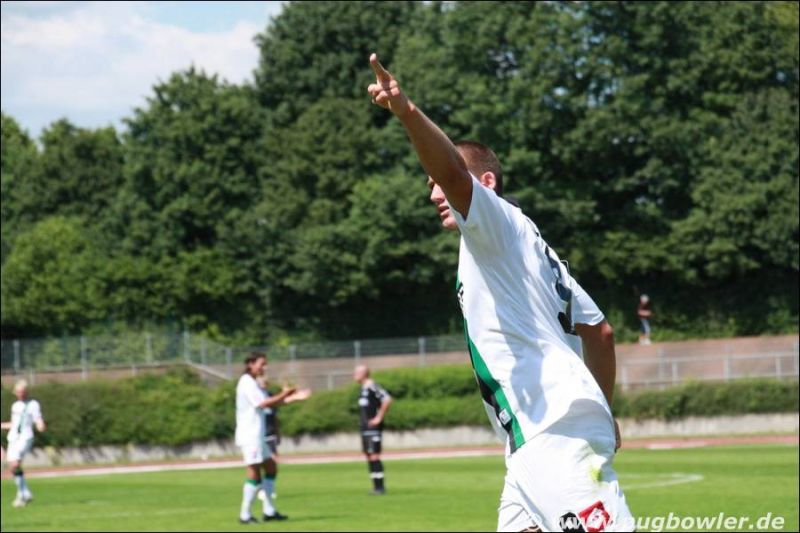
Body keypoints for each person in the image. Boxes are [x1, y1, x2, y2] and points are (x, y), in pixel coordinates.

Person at [367, 53, 633, 531]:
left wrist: (406, 112)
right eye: (429, 184)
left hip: (552, 430)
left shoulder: (495, 223)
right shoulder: (530, 252)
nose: (434, 193)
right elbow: (601, 333)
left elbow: (455, 173)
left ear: (487, 183)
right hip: (535, 439)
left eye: (438, 182)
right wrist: (603, 410)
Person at [235, 352, 309, 524]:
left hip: (257, 436)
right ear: (251, 364)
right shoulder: (246, 382)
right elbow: (263, 403)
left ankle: (269, 511)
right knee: (254, 474)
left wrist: (293, 397)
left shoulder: (254, 383)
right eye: (262, 364)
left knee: (271, 468)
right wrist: (285, 393)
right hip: (250, 436)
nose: (265, 367)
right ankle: (245, 515)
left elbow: (271, 403)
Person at [1, 379, 46, 508]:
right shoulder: (15, 405)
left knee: (15, 463)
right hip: (13, 437)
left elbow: (37, 419)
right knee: (12, 466)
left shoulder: (33, 404)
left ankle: (22, 494)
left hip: (25, 437)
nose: (20, 394)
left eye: (22, 392)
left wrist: (40, 425)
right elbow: (13, 423)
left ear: (26, 392)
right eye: (18, 392)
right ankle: (25, 492)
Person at [353, 364, 392, 495]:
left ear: (364, 374)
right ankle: (375, 487)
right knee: (369, 455)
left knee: (374, 455)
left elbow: (387, 399)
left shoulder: (372, 386)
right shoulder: (362, 388)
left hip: (373, 428)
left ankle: (380, 487)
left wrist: (378, 417)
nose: (354, 375)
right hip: (364, 428)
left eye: (357, 372)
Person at [254, 376, 288, 503]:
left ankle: (268, 490)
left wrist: (278, 433)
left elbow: (275, 418)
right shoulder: (254, 397)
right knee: (259, 464)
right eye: (262, 384)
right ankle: (261, 489)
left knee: (273, 462)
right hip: (258, 436)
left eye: (265, 384)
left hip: (270, 435)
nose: (264, 386)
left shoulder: (270, 397)